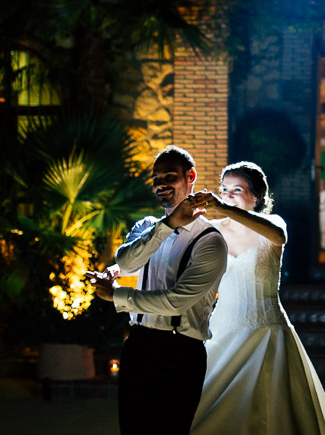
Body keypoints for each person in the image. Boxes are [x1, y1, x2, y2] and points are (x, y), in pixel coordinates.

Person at [190, 162, 325, 435]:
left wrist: (225, 209)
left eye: (237, 189)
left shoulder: (273, 223)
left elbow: (278, 237)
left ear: (255, 196)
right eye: (224, 189)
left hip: (266, 328)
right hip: (221, 327)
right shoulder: (210, 229)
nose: (228, 194)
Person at [90, 145, 227, 435]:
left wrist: (117, 296)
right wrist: (167, 225)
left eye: (169, 176)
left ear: (190, 176)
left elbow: (176, 302)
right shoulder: (147, 226)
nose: (160, 184)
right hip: (138, 346)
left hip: (179, 353)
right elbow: (125, 262)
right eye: (156, 179)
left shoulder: (210, 242)